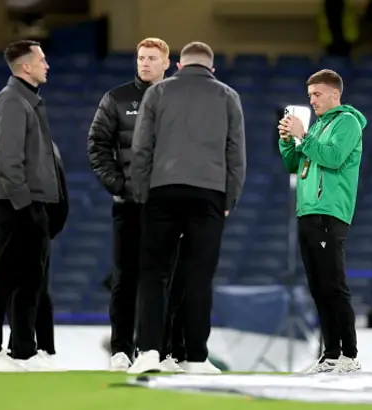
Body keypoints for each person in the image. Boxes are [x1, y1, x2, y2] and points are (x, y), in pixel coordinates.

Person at [128, 41, 246, 374]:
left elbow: (141, 148)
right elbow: (236, 153)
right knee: (199, 276)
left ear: (179, 65)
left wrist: (141, 192)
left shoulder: (158, 93)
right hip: (209, 193)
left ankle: (149, 352)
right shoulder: (228, 96)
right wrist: (229, 199)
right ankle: (195, 358)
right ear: (212, 69)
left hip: (162, 191)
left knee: (153, 274)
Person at [87, 37, 184, 372]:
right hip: (128, 204)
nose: (144, 63)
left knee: (163, 278)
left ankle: (161, 350)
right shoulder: (116, 98)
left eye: (152, 58)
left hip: (167, 204)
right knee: (125, 278)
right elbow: (97, 144)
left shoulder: (180, 99)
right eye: (141, 57)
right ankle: (121, 350)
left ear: (166, 63)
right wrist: (119, 184)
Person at [0, 39, 60, 372]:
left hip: (26, 200)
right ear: (26, 66)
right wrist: (25, 205)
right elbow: (8, 162)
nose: (47, 65)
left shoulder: (26, 101)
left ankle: (24, 351)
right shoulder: (12, 101)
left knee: (30, 278)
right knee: (5, 277)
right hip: (11, 202)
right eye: (42, 59)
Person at [278, 69, 365, 373]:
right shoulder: (317, 127)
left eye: (317, 94)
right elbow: (295, 164)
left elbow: (333, 158)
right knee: (318, 287)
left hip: (330, 211)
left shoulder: (348, 122)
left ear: (335, 94)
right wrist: (288, 141)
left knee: (334, 285)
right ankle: (330, 354)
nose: (311, 100)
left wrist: (303, 135)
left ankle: (350, 355)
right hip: (308, 210)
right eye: (310, 95)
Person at [0, 141, 69, 370]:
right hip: (31, 225)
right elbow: (60, 196)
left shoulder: (3, 149)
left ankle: (24, 349)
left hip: (22, 225)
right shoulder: (47, 147)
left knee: (24, 288)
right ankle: (33, 349)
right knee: (33, 289)